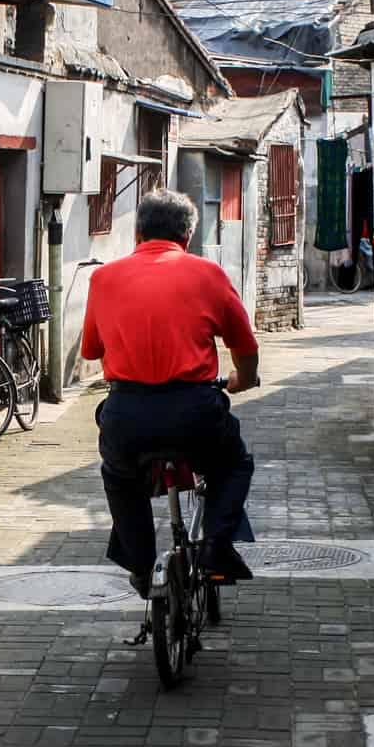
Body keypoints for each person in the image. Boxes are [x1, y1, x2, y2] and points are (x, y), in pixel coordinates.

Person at [81, 189, 259, 597]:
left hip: (127, 413)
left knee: (120, 479)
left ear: (138, 233)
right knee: (233, 465)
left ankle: (142, 569)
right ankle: (216, 546)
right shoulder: (208, 274)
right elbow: (245, 346)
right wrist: (243, 380)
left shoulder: (104, 278)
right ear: (189, 236)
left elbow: (92, 350)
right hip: (194, 411)